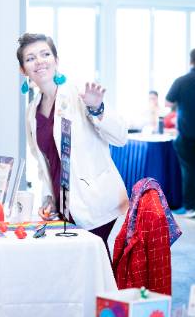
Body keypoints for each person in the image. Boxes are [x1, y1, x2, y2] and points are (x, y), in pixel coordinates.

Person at [17, 33, 128, 257]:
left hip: (97, 206)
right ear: (23, 70)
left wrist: (98, 109)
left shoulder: (79, 94)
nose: (39, 61)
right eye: (30, 58)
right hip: (64, 210)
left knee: (106, 278)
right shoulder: (32, 111)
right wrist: (48, 198)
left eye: (45, 54)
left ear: (56, 60)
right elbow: (44, 164)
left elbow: (121, 137)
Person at [166, 48, 195, 219]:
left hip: (187, 133)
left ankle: (190, 208)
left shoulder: (181, 81)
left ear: (191, 61)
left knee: (189, 170)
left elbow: (168, 102)